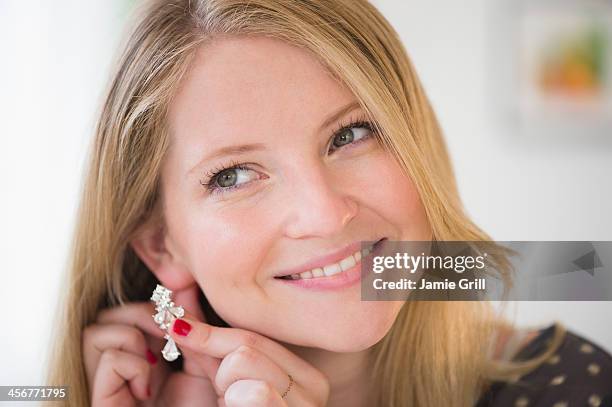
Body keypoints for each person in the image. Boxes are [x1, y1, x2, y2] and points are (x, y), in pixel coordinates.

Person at [47, 0, 612, 405]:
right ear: (159, 245)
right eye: (235, 175)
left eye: (350, 135)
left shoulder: (571, 384)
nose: (324, 212)